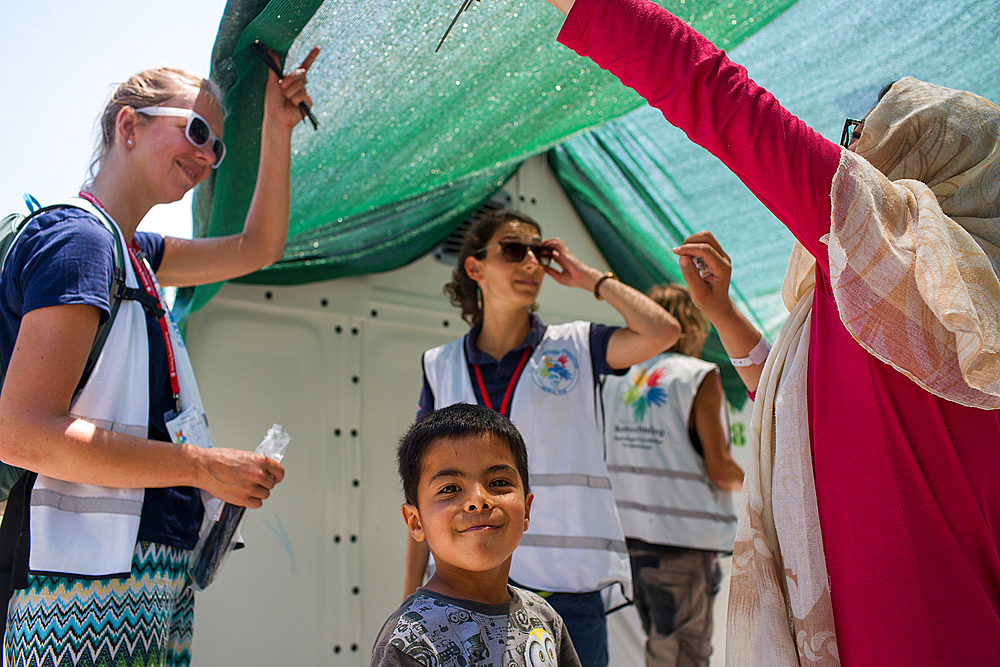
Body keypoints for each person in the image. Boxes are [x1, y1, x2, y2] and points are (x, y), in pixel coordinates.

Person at [541, 0, 1000, 664]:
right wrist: (726, 315)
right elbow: (820, 418)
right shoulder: (964, 331)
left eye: (861, 136)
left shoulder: (871, 261)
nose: (849, 154)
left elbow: (712, 91)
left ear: (913, 154)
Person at [0, 49, 318, 667]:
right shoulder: (79, 240)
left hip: (147, 569)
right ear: (128, 126)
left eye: (218, 149)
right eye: (196, 131)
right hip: (74, 590)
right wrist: (198, 466)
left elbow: (259, 246)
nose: (206, 157)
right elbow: (20, 433)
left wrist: (276, 130)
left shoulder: (130, 251)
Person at [407, 208, 680, 667]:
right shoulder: (440, 364)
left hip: (568, 595)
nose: (532, 263)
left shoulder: (577, 344)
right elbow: (423, 490)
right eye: (514, 250)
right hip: (468, 592)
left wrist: (590, 278)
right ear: (474, 267)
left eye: (540, 251)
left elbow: (663, 331)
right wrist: (413, 596)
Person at [373, 403, 581, 667]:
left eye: (498, 483)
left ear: (527, 509)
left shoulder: (545, 620)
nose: (478, 500)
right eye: (450, 488)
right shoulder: (410, 639)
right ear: (415, 522)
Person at [601, 284, 743, 667]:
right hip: (682, 544)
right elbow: (720, 468)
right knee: (682, 653)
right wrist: (766, 485)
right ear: (694, 327)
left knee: (660, 646)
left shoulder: (613, 378)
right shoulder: (696, 376)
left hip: (627, 539)